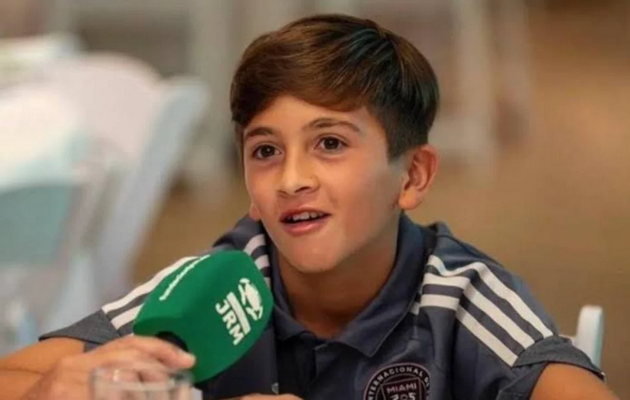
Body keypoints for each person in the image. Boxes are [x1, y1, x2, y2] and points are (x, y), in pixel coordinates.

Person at [0, 14, 618, 400]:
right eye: (266, 151)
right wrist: (47, 392)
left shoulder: (461, 300)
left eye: (330, 144)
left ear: (412, 175)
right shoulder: (219, 288)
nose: (292, 179)